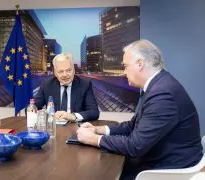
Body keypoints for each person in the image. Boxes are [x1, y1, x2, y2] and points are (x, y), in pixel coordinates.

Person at [76, 39, 203, 179]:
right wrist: (98, 129)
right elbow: (132, 126)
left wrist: (93, 139)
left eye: (125, 66)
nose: (124, 72)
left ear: (140, 64)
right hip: (158, 158)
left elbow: (135, 146)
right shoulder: (158, 85)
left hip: (167, 168)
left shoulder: (162, 95)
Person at [35, 52, 99, 122]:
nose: (65, 75)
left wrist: (73, 116)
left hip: (76, 128)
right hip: (54, 128)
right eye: (61, 71)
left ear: (74, 70)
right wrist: (47, 116)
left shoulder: (85, 84)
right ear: (55, 73)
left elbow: (94, 112)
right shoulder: (47, 84)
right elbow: (31, 108)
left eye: (68, 70)